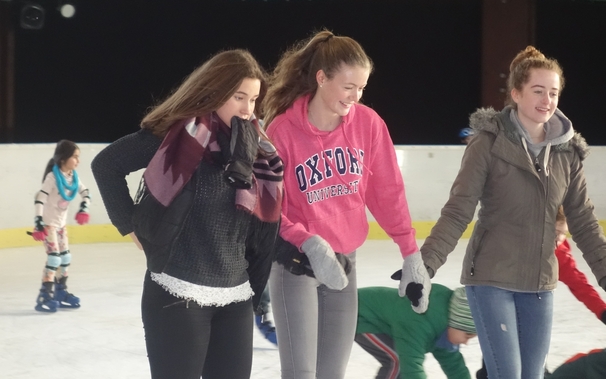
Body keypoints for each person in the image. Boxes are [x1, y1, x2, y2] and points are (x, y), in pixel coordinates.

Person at [407, 45, 606, 379]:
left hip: (540, 283)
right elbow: (458, 209)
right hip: (491, 279)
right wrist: (426, 264)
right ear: (516, 93)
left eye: (554, 93)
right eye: (538, 91)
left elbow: (584, 222)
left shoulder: (568, 152)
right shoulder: (488, 143)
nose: (547, 100)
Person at [91, 49, 284, 379]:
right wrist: (130, 225)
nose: (247, 109)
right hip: (177, 293)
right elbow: (106, 165)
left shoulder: (258, 151)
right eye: (239, 97)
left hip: (236, 296)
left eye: (253, 99)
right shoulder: (177, 136)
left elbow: (263, 230)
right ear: (215, 90)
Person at [262, 30, 423, 379]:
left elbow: (388, 192)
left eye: (362, 88)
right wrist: (308, 241)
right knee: (301, 374)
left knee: (331, 374)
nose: (355, 96)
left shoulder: (368, 125)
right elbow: (271, 207)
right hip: (296, 264)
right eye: (348, 87)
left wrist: (410, 253)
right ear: (322, 78)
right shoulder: (282, 131)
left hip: (343, 265)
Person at [475, 206, 606, 378]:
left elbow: (580, 285)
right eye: (556, 231)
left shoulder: (559, 255)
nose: (559, 238)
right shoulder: (515, 243)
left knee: (533, 361)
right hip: (501, 302)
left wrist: (602, 311)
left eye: (563, 233)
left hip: (532, 309)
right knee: (500, 357)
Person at [355, 283, 477, 379]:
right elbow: (411, 365)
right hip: (361, 315)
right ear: (456, 322)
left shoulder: (445, 332)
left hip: (382, 322)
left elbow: (454, 367)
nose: (466, 342)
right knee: (397, 362)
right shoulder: (420, 322)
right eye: (467, 335)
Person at [31, 139, 90, 312]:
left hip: (61, 226)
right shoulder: (52, 177)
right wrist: (38, 221)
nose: (78, 161)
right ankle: (45, 295)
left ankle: (60, 291)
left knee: (65, 258)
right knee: (54, 258)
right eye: (75, 157)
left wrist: (83, 207)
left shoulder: (73, 178)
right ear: (63, 158)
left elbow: (86, 192)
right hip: (49, 226)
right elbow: (40, 197)